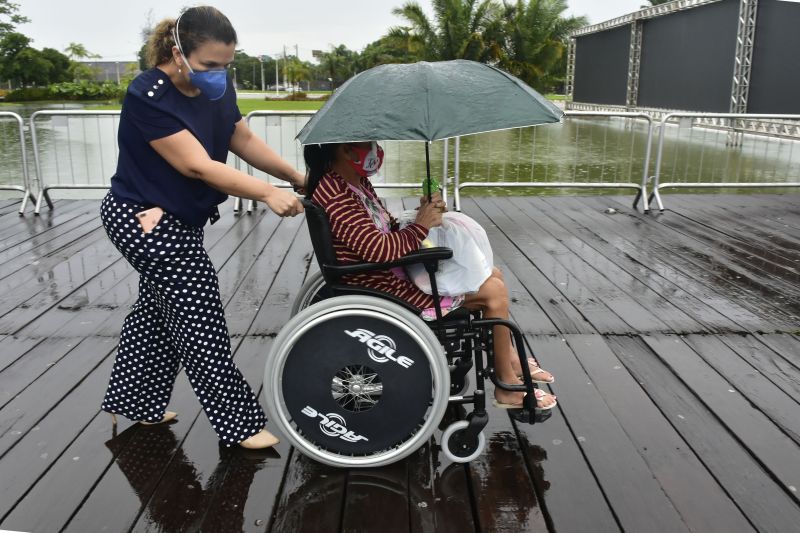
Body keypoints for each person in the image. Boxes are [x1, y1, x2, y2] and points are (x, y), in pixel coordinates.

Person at [100, 6, 305, 449]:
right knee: (198, 313)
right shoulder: (147, 94)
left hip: (179, 219)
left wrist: (295, 177)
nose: (219, 74)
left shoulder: (215, 90)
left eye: (227, 65)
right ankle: (240, 425)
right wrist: (266, 193)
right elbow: (196, 165)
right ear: (178, 52)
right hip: (141, 218)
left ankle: (134, 401)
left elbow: (241, 138)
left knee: (157, 312)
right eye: (210, 65)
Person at [304, 142, 557, 411]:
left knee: (492, 273)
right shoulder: (337, 195)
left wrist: (421, 212)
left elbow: (383, 228)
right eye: (368, 144)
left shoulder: (354, 183)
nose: (375, 150)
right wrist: (421, 226)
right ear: (344, 149)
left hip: (383, 274)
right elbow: (379, 250)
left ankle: (509, 359)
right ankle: (506, 383)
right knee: (494, 292)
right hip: (381, 285)